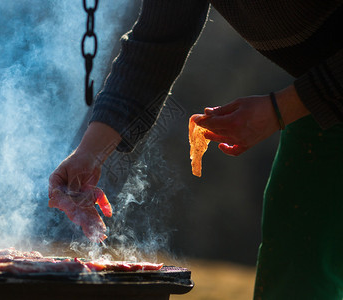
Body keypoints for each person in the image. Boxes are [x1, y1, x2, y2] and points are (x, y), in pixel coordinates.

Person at [49, 1, 343, 298]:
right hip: (324, 107)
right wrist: (90, 152)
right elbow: (155, 46)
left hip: (317, 99)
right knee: (295, 278)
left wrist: (278, 108)